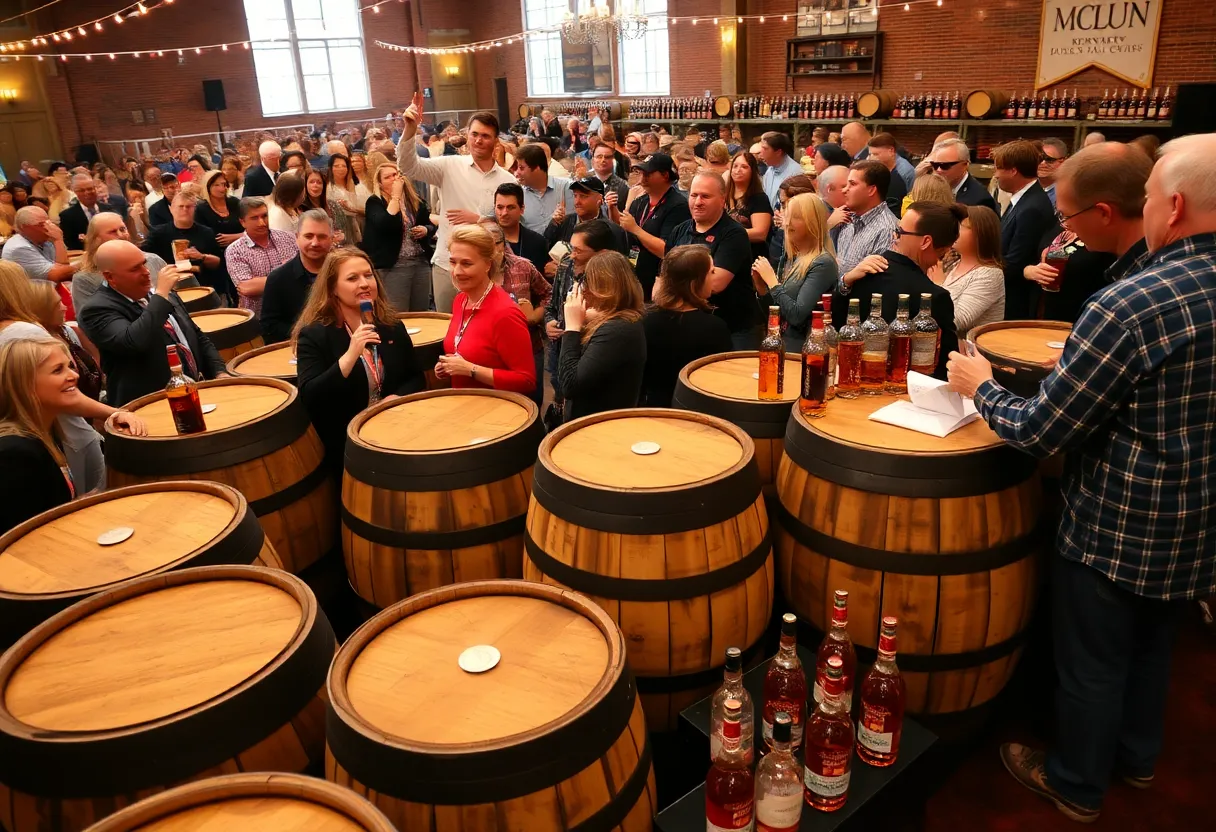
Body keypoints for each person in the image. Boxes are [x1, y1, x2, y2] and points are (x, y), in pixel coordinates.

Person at [945, 134, 1216, 825]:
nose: (1147, 208)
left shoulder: (1133, 301)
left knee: (1091, 658)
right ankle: (1138, 757)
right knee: (1155, 644)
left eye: (1152, 198)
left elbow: (1041, 431)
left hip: (1120, 516)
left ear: (1175, 206)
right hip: (1199, 513)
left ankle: (1074, 783)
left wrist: (982, 388)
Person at [293, 248, 425, 477]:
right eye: (353, 278)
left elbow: (416, 378)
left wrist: (397, 397)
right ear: (333, 288)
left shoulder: (390, 325)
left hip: (396, 428)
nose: (364, 284)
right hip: (347, 445)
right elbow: (311, 398)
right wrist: (349, 356)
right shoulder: (315, 335)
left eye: (368, 275)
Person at [0, 336, 148, 533]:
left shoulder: (46, 430)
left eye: (69, 366)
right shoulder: (14, 454)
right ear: (25, 384)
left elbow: (54, 510)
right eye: (58, 370)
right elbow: (25, 538)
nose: (74, 375)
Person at [397, 98, 516, 315]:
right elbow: (408, 166)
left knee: (484, 329)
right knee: (448, 326)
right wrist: (410, 130)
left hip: (488, 267)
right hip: (447, 264)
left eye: (485, 136)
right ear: (467, 136)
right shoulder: (448, 166)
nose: (479, 140)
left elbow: (512, 225)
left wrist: (480, 220)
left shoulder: (508, 180)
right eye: (475, 134)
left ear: (495, 141)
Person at [78, 240, 228, 406]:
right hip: (150, 405)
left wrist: (219, 371)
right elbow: (134, 341)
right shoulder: (96, 309)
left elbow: (196, 336)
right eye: (135, 269)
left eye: (144, 264)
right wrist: (161, 294)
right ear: (110, 277)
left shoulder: (160, 295)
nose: (146, 272)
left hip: (194, 391)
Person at [833, 201, 963, 378]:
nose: (894, 236)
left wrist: (846, 281)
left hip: (855, 380)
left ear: (925, 242)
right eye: (896, 229)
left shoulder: (863, 274)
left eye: (900, 232)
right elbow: (947, 365)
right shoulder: (935, 295)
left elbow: (836, 323)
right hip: (906, 392)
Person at [435, 225, 536, 395]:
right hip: (465, 405)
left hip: (496, 412)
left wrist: (471, 370)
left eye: (467, 263)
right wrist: (449, 367)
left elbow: (526, 380)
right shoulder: (461, 300)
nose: (457, 271)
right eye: (453, 262)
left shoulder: (505, 313)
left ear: (488, 265)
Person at [667, 172, 757, 349]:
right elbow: (661, 279)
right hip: (689, 325)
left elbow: (715, 284)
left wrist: (672, 288)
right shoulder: (679, 231)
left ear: (722, 200)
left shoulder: (734, 234)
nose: (698, 202)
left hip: (734, 330)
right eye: (693, 195)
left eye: (705, 196)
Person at [640, 245, 733, 407]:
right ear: (694, 283)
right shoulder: (714, 328)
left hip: (651, 410)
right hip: (696, 413)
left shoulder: (643, 320)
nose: (715, 275)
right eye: (711, 272)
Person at [557, 251, 645, 421]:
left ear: (599, 289)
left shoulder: (617, 331)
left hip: (598, 428)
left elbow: (569, 385)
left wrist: (572, 328)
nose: (583, 288)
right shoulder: (620, 319)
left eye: (586, 281)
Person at [544, 220, 617, 420]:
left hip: (588, 359)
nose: (572, 255)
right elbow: (552, 305)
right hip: (559, 352)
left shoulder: (612, 282)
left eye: (579, 251)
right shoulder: (566, 264)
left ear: (601, 253)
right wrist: (549, 322)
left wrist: (579, 324)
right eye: (571, 248)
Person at [752, 193, 838, 351]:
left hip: (803, 350)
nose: (788, 222)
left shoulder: (822, 263)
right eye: (788, 216)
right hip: (782, 343)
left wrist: (772, 282)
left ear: (813, 222)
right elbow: (775, 313)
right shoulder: (792, 258)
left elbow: (797, 315)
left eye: (796, 217)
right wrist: (761, 287)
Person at [481, 220, 551, 406]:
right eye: (483, 243)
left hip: (528, 347)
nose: (490, 249)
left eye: (494, 243)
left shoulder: (523, 267)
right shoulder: (473, 270)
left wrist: (535, 316)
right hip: (489, 352)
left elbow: (549, 294)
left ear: (503, 245)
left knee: (531, 403)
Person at [992, 139, 1057, 320]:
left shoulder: (1031, 208)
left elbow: (1016, 262)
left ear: (1013, 171)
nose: (995, 175)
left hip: (1016, 303)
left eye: (998, 168)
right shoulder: (1022, 201)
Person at [614, 154, 690, 300]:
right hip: (634, 276)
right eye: (641, 173)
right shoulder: (640, 202)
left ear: (665, 175)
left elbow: (666, 251)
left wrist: (635, 229)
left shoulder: (678, 206)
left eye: (648, 174)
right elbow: (624, 231)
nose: (642, 179)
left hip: (659, 282)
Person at [361, 163, 434, 312]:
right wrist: (395, 198)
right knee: (399, 314)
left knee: (421, 312)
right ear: (380, 184)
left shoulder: (414, 200)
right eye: (388, 177)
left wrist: (426, 230)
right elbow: (385, 223)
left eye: (396, 174)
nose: (394, 178)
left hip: (420, 263)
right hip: (394, 266)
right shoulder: (375, 202)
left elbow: (430, 223)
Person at [72, 213, 172, 312]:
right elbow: (90, 321)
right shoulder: (84, 280)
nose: (121, 235)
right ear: (96, 240)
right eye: (113, 232)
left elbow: (175, 300)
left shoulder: (153, 260)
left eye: (123, 229)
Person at [261, 210, 335, 343]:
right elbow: (269, 327)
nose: (315, 243)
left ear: (332, 239)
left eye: (322, 237)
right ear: (297, 237)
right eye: (308, 236)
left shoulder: (342, 273)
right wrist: (308, 335)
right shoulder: (278, 279)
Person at [26, 280, 103, 403]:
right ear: (42, 309)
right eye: (57, 304)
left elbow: (94, 360)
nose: (64, 307)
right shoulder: (35, 345)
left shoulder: (68, 331)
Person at [224, 197, 299, 317]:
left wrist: (261, 282)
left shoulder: (288, 238)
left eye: (264, 216)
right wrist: (288, 273)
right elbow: (247, 288)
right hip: (258, 318)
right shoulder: (235, 251)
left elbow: (305, 271)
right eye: (254, 218)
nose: (262, 223)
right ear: (242, 222)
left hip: (294, 312)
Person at [938, 205, 1005, 335]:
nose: (955, 230)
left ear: (981, 233)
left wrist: (937, 286)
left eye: (962, 227)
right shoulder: (952, 264)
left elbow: (956, 321)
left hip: (971, 352)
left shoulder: (991, 275)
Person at [141, 192, 226, 296]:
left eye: (189, 207)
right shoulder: (157, 233)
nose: (185, 210)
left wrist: (202, 256)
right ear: (171, 209)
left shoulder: (206, 232)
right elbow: (143, 256)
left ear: (195, 209)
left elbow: (218, 263)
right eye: (181, 206)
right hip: (171, 291)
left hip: (202, 288)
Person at [834, 160, 900, 275]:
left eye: (852, 184)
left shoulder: (887, 229)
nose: (844, 190)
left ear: (871, 190)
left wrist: (844, 284)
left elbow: (876, 281)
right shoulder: (846, 219)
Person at [544, 177, 629, 255]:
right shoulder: (562, 222)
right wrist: (553, 224)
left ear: (600, 199)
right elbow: (544, 249)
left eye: (583, 196)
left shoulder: (612, 230)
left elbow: (619, 265)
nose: (577, 202)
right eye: (575, 195)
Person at [3, 206, 78, 288]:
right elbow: (61, 275)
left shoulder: (44, 239)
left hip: (51, 290)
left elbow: (64, 267)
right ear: (24, 227)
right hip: (33, 297)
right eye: (42, 224)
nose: (49, 228)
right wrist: (58, 240)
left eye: (49, 223)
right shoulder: (19, 249)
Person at [514, 143, 574, 235]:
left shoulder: (566, 187)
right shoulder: (518, 195)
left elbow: (576, 221)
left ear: (537, 168)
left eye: (521, 168)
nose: (516, 173)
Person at [726, 152, 774, 259]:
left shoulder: (759, 199)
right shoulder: (723, 196)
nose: (738, 170)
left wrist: (726, 234)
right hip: (727, 254)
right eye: (735, 166)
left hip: (751, 256)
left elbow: (760, 234)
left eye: (744, 167)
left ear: (752, 171)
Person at [494, 182, 549, 276]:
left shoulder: (537, 242)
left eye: (510, 207)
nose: (504, 213)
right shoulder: (485, 240)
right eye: (500, 207)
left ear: (522, 209)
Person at [927, 138, 997, 211]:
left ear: (965, 165)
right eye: (934, 165)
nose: (938, 170)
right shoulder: (931, 189)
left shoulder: (979, 200)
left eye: (945, 166)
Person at [59, 174, 122, 248]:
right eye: (82, 190)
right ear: (75, 192)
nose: (87, 192)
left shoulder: (109, 209)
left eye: (90, 189)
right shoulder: (67, 216)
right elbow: (70, 242)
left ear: (95, 189)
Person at [866, 133, 909, 216]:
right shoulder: (881, 175)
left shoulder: (901, 174)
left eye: (876, 154)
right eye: (870, 154)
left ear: (891, 151)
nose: (871, 158)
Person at [327, 153, 369, 237]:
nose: (341, 168)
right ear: (330, 168)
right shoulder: (328, 188)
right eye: (336, 166)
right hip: (340, 228)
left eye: (344, 166)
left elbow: (365, 208)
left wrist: (354, 209)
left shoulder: (355, 185)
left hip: (360, 224)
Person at [758, 132, 800, 210]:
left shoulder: (796, 174)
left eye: (765, 148)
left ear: (778, 152)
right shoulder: (770, 169)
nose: (761, 152)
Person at [590, 141, 629, 208]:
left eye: (607, 157)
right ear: (593, 160)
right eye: (599, 156)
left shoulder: (624, 187)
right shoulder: (584, 183)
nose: (603, 160)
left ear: (613, 160)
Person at [1038, 138, 1069, 209]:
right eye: (1039, 158)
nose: (1043, 163)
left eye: (1049, 159)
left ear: (1063, 161)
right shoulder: (1025, 189)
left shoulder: (1068, 194)